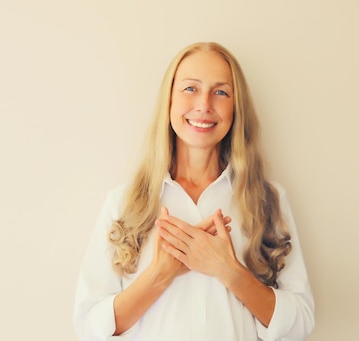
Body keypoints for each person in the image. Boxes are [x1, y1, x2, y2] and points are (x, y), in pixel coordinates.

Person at [74, 42, 315, 341]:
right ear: (170, 100)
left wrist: (230, 272)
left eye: (221, 92)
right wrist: (159, 275)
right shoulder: (122, 203)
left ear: (236, 107)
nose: (204, 105)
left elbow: (301, 322)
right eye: (190, 88)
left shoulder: (268, 201)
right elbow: (89, 327)